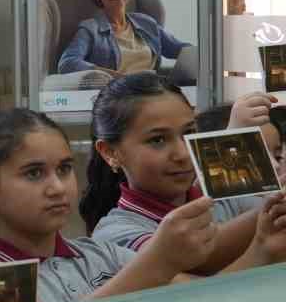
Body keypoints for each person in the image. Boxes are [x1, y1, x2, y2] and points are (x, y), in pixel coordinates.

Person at [0, 109, 283, 302]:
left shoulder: (99, 254)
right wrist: (160, 261)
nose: (57, 187)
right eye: (33, 173)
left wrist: (262, 246)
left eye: (64, 169)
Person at [81, 74, 267, 275]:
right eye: (158, 140)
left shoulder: (223, 199)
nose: (183, 154)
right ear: (110, 153)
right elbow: (189, 260)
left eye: (188, 133)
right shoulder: (114, 234)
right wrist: (270, 213)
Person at [56, 0, 189, 76]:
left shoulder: (147, 23)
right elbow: (67, 63)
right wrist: (113, 76)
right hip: (118, 94)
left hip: (153, 90)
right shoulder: (90, 29)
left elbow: (180, 50)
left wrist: (206, 51)